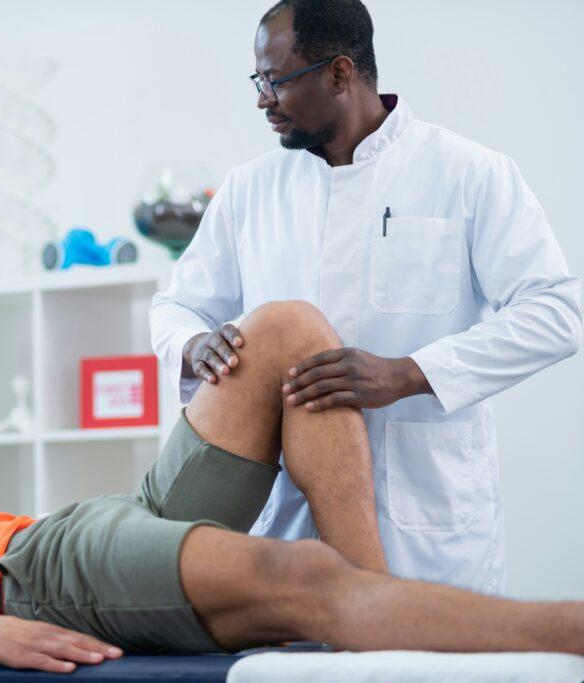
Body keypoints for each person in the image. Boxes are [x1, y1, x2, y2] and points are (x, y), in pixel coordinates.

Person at [0, 301, 584, 674]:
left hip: (87, 524)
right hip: (40, 574)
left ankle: (372, 615)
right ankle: (565, 629)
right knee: (296, 573)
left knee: (286, 331)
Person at [150, 0, 582, 594]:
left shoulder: (468, 174)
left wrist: (408, 373)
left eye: (277, 81)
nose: (262, 100)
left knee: (428, 643)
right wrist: (195, 343)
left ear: (339, 73)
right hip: (288, 532)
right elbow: (176, 307)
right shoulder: (250, 191)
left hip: (428, 525)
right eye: (258, 80)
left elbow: (556, 313)